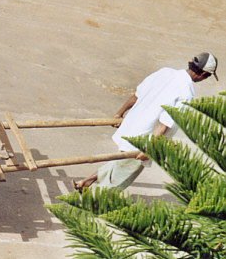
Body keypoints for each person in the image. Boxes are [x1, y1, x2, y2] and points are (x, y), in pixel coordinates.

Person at [73, 52, 219, 192]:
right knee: (120, 177)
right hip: (144, 139)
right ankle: (96, 202)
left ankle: (86, 182)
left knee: (119, 163)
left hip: (131, 128)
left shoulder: (165, 72)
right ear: (204, 75)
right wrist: (148, 148)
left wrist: (119, 113)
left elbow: (137, 94)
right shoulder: (186, 92)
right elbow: (164, 123)